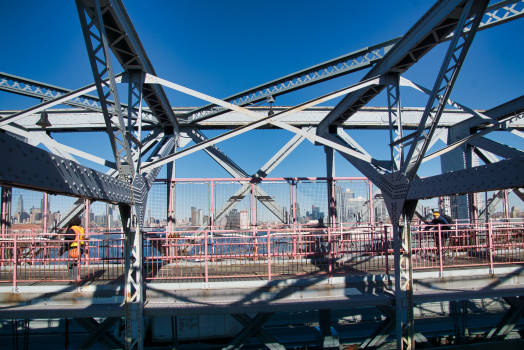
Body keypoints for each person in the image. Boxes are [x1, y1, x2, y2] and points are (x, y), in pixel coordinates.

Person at [58, 217, 85, 281]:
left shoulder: (72, 230)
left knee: (71, 265)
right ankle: (75, 280)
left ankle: (73, 280)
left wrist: (61, 251)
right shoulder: (81, 229)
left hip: (73, 249)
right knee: (76, 264)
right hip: (80, 248)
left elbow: (67, 242)